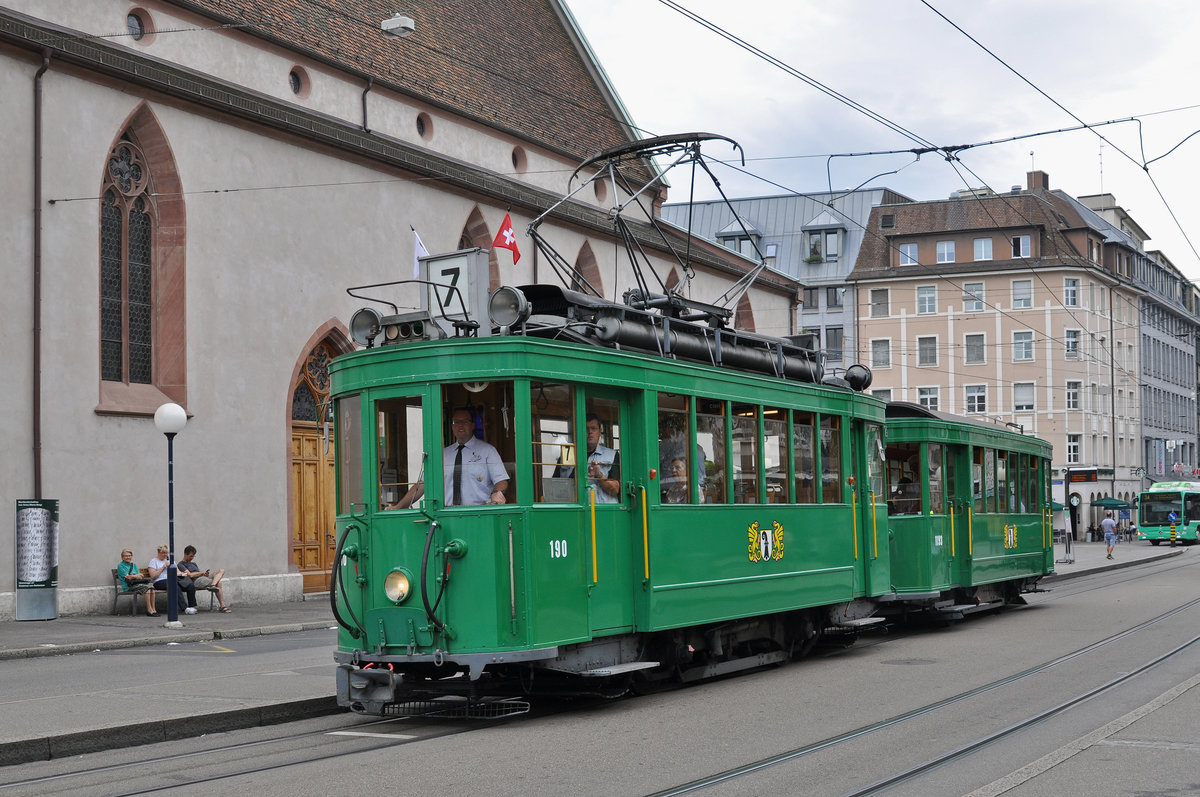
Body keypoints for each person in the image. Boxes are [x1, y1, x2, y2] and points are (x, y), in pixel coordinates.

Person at [390, 407, 509, 508]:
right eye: (456, 422)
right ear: (452, 426)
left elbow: (501, 481)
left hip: (478, 514)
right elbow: (422, 485)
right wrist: (397, 507)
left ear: (473, 425)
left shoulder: (488, 451)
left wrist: (496, 493)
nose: (460, 425)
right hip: (446, 516)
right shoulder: (442, 454)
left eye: (465, 421)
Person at [178, 544, 230, 612]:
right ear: (185, 554)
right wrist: (201, 573)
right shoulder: (181, 564)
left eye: (193, 556)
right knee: (219, 583)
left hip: (202, 578)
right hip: (196, 581)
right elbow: (190, 575)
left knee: (221, 570)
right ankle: (222, 606)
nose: (192, 558)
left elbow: (199, 574)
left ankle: (213, 585)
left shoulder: (193, 564)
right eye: (191, 556)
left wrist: (205, 574)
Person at [147, 544, 187, 615]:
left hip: (171, 580)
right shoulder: (153, 561)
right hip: (159, 582)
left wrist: (181, 573)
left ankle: (187, 607)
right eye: (163, 553)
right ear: (158, 552)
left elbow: (177, 572)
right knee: (173, 585)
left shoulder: (170, 561)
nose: (165, 555)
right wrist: (163, 567)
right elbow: (153, 576)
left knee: (183, 585)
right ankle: (184, 608)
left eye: (166, 553)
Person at [117, 549, 157, 616]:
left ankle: (153, 609)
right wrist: (135, 576)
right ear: (122, 557)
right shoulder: (120, 566)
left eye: (129, 556)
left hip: (137, 584)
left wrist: (134, 576)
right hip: (128, 586)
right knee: (148, 588)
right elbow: (128, 577)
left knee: (152, 588)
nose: (128, 557)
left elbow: (141, 576)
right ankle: (149, 610)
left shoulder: (133, 565)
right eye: (126, 556)